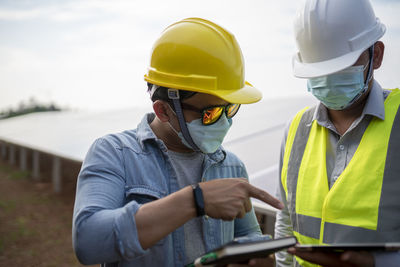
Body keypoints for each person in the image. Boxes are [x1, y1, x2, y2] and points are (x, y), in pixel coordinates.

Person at [72, 17, 283, 267]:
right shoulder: (114, 153)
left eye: (231, 109)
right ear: (163, 110)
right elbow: (88, 241)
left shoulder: (231, 166)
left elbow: (246, 237)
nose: (225, 122)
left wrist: (257, 257)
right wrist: (195, 200)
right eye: (210, 113)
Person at [274, 0, 400, 266]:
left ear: (376, 55)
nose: (329, 79)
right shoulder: (296, 129)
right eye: (319, 71)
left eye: (340, 67)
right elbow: (286, 224)